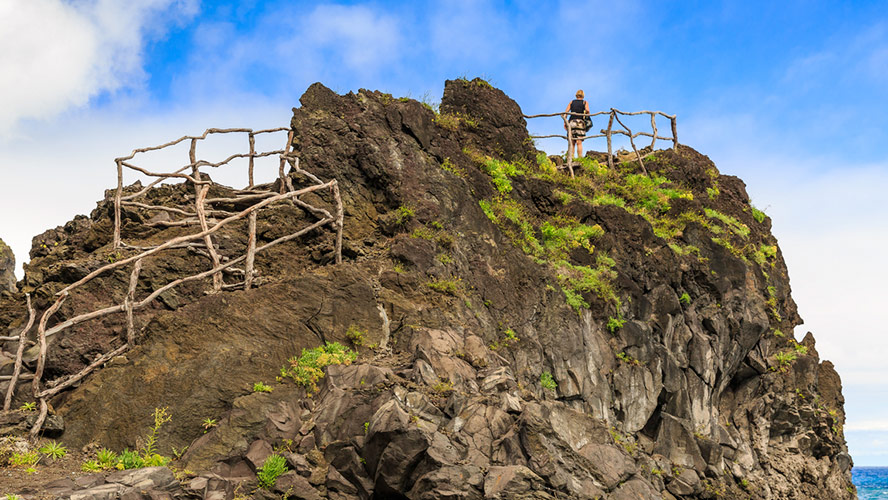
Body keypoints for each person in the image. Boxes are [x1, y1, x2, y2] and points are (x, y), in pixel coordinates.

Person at [564, 90, 590, 161]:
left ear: (576, 95)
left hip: (572, 122)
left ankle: (571, 158)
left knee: (572, 142)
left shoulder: (571, 102)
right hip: (580, 123)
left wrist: (565, 122)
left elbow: (565, 113)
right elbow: (588, 111)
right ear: (583, 95)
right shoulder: (585, 102)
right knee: (579, 142)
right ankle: (580, 158)